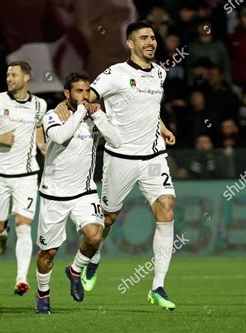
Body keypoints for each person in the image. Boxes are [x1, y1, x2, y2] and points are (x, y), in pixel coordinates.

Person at [55, 21, 177, 310]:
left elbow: (149, 108)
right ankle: (86, 261)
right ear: (130, 44)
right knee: (107, 220)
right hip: (120, 158)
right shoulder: (114, 75)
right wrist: (65, 107)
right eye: (143, 38)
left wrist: (161, 126)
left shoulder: (160, 73)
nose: (151, 42)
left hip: (153, 157)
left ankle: (158, 286)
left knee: (167, 208)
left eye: (152, 37)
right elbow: (86, 97)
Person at [35, 72, 120, 314]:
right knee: (48, 252)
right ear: (66, 94)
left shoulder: (93, 118)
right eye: (78, 91)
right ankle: (43, 294)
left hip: (84, 192)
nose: (84, 96)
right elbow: (60, 137)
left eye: (87, 91)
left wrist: (99, 115)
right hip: (54, 195)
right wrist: (83, 111)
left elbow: (117, 140)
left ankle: (74, 271)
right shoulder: (53, 115)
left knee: (95, 236)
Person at [0, 61, 47, 296]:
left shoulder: (39, 105)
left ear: (26, 78)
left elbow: (38, 128)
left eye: (13, 75)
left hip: (27, 175)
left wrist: (42, 145)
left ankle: (21, 279)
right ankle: (0, 235)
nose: (9, 78)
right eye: (7, 75)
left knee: (24, 225)